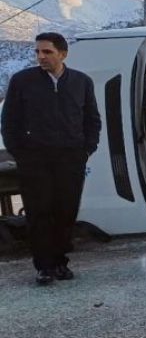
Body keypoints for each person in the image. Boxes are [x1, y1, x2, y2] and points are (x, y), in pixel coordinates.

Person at [0, 32, 102, 285]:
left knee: (66, 210)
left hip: (70, 160)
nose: (40, 57)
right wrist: (21, 153)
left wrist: (86, 149)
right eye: (37, 52)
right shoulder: (22, 81)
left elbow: (92, 120)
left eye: (47, 52)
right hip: (35, 161)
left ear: (63, 54)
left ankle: (60, 262)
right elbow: (9, 121)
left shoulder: (81, 82)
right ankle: (44, 266)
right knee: (39, 212)